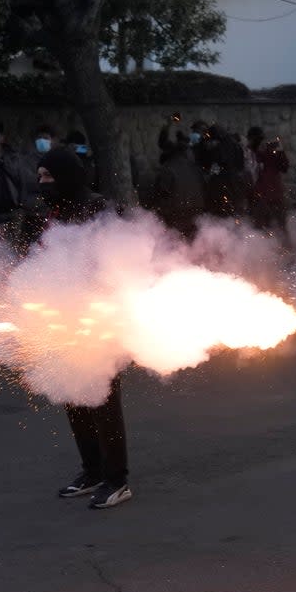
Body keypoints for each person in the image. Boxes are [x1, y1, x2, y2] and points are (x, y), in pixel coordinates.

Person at [39, 148, 133, 509]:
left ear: (65, 176)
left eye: (47, 176)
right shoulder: (54, 210)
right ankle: (91, 470)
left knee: (103, 402)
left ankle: (117, 479)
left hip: (100, 321)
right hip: (63, 318)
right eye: (40, 177)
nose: (41, 184)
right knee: (73, 396)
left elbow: (120, 260)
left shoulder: (99, 209)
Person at [152, 123, 206, 240]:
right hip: (195, 215)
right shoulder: (196, 168)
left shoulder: (168, 170)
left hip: (175, 217)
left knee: (176, 248)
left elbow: (160, 195)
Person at [246, 126, 290, 231]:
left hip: (274, 199)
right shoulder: (249, 154)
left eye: (260, 140)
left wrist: (280, 151)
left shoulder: (271, 153)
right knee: (259, 230)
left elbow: (284, 167)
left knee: (279, 230)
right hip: (259, 200)